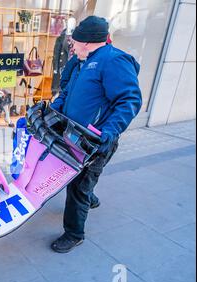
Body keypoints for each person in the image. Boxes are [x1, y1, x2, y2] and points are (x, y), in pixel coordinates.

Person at [49, 16, 142, 253]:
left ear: (87, 42)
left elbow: (129, 100)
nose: (72, 45)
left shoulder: (113, 61)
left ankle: (74, 234)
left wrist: (108, 133)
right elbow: (68, 92)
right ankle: (90, 198)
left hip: (95, 141)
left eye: (75, 42)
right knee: (82, 181)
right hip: (75, 136)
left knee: (78, 186)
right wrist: (54, 109)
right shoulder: (84, 60)